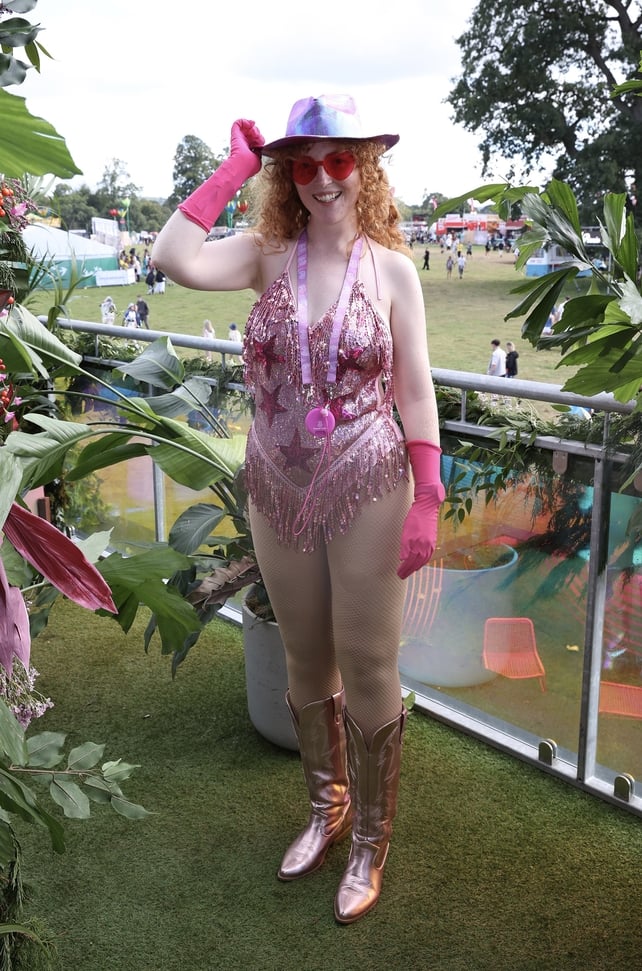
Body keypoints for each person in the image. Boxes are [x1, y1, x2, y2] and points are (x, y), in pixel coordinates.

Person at [152, 94, 444, 925]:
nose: (322, 179)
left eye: (338, 161)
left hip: (368, 481)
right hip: (277, 480)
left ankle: (370, 842)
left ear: (365, 165)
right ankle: (325, 809)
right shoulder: (264, 254)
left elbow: (415, 391)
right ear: (289, 175)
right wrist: (233, 167)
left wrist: (428, 498)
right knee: (305, 657)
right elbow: (173, 256)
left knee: (368, 661)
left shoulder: (394, 269)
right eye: (303, 164)